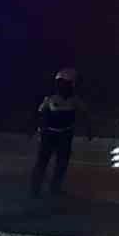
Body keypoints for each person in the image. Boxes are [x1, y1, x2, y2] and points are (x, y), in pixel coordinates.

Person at [31, 67, 89, 197]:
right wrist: (35, 128)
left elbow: (85, 114)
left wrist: (89, 130)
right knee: (42, 161)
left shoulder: (74, 100)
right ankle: (35, 188)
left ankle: (55, 187)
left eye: (66, 84)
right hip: (49, 134)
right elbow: (39, 114)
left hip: (65, 134)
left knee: (61, 164)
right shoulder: (50, 98)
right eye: (61, 83)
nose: (63, 86)